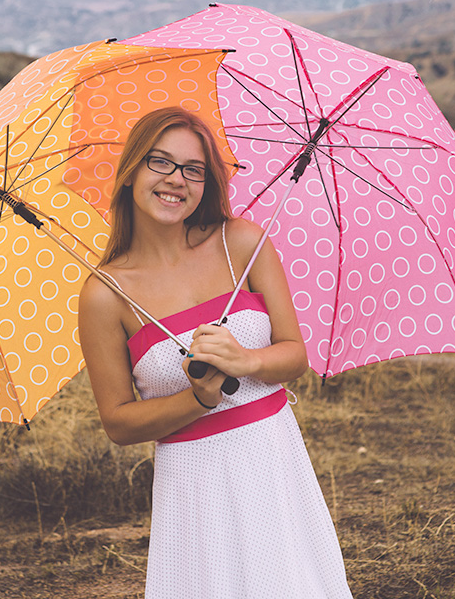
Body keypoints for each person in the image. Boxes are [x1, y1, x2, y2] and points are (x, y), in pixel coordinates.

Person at [78, 106, 353, 599]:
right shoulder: (105, 294)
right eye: (159, 162)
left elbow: (295, 356)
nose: (176, 180)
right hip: (194, 482)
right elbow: (118, 422)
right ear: (131, 172)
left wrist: (247, 361)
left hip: (272, 457)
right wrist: (196, 400)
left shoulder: (243, 242)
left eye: (193, 169)